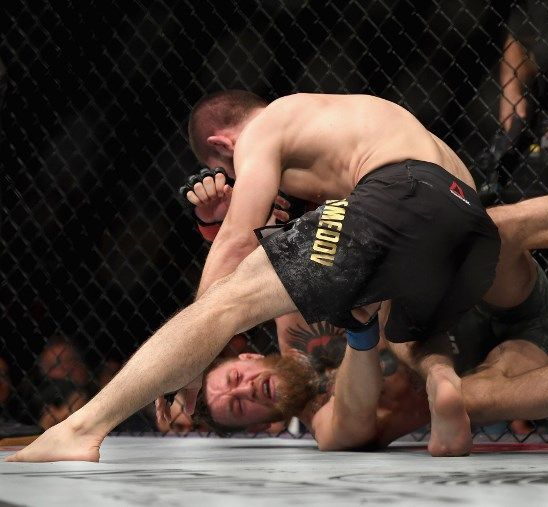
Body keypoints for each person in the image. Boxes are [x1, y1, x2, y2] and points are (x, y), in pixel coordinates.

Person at [7, 91, 506, 461]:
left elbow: (236, 243)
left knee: (228, 298)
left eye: (226, 168)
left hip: (399, 191)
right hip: (468, 230)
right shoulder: (363, 119)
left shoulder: (269, 125)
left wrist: (198, 356)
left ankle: (82, 429)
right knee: (399, 326)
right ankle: (445, 393)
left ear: (220, 143)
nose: (236, 177)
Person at [183, 154, 548, 450]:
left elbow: (211, 307)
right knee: (472, 396)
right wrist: (368, 335)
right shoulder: (327, 428)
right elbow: (357, 413)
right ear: (259, 426)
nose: (242, 392)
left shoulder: (288, 319)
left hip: (480, 289)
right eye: (237, 408)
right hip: (512, 345)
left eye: (231, 379)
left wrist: (222, 222)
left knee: (494, 229)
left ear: (249, 358)